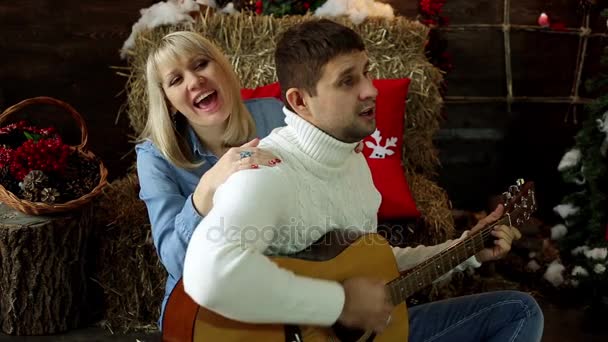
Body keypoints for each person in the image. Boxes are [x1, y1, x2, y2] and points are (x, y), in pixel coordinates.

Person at [182, 19, 544, 341]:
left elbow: (373, 265)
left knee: (517, 311)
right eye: (347, 80)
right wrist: (336, 304)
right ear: (300, 101)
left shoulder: (354, 163)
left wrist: (465, 251)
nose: (371, 89)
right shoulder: (268, 173)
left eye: (366, 73)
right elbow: (208, 275)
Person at [135, 31, 287, 324]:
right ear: (167, 101)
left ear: (222, 67)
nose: (194, 81)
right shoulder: (154, 157)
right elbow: (177, 263)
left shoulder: (275, 115)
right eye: (176, 80)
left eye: (201, 64)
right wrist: (207, 189)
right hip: (200, 309)